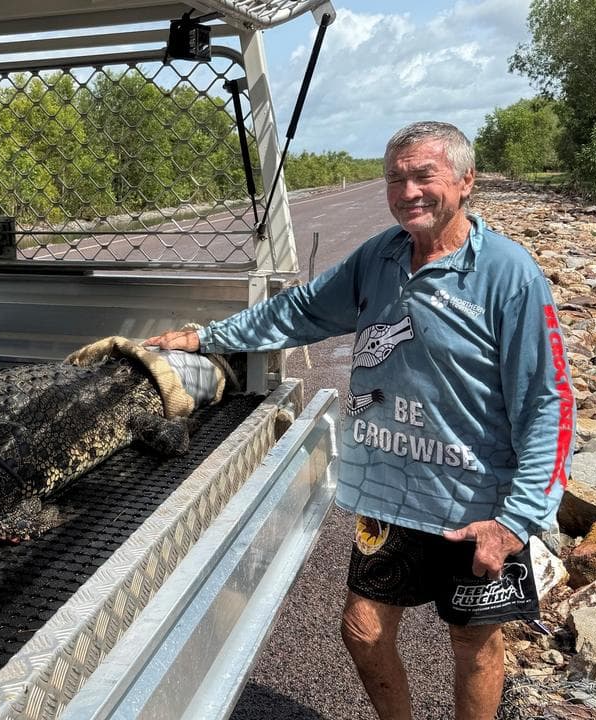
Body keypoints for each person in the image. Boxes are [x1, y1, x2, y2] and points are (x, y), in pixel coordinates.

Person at [144, 121, 573, 720]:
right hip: (391, 494)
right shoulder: (381, 257)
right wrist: (209, 336)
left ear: (466, 180)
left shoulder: (509, 274)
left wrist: (518, 518)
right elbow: (301, 311)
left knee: (473, 645)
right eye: (395, 178)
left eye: (425, 175)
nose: (408, 191)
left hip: (477, 504)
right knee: (363, 631)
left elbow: (548, 402)